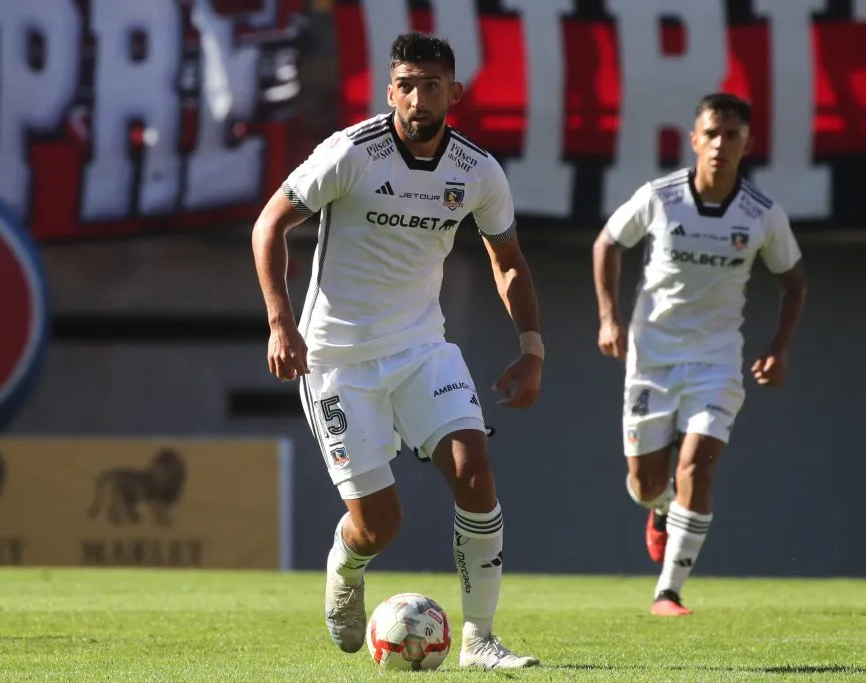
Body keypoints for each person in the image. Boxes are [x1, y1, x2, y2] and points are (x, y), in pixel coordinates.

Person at [251, 32, 544, 669]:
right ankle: (345, 565)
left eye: (431, 85)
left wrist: (531, 347)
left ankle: (480, 640)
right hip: (337, 360)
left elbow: (510, 261)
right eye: (405, 85)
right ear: (390, 91)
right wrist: (281, 323)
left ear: (453, 93)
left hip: (422, 348)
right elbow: (269, 224)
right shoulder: (351, 153)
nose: (417, 98)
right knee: (380, 525)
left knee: (475, 474)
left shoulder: (477, 171)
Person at [591, 93, 807, 616]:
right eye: (711, 134)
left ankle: (668, 592)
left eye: (731, 135)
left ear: (747, 144)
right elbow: (607, 243)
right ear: (694, 139)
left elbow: (793, 280)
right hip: (652, 357)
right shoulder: (660, 197)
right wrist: (608, 317)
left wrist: (779, 347)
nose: (720, 144)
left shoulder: (761, 214)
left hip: (716, 362)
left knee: (697, 468)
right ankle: (660, 509)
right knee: (645, 485)